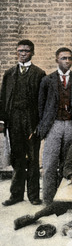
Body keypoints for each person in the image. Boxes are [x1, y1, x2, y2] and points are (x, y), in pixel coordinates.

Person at [37, 47, 72, 205]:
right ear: (57, 60)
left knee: (68, 163)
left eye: (69, 58)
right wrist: (43, 126)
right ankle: (49, 200)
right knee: (50, 163)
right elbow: (41, 105)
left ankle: (67, 198)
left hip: (71, 125)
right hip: (53, 125)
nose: (67, 61)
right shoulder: (47, 80)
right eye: (63, 58)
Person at [0, 40, 46, 206]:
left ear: (32, 52)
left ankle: (33, 195)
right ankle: (16, 195)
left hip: (31, 120)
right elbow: (3, 98)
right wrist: (2, 120)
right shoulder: (9, 73)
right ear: (16, 52)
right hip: (14, 119)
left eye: (26, 51)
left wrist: (40, 124)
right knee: (17, 157)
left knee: (32, 158)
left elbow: (43, 102)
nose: (22, 53)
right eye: (20, 51)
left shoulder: (39, 74)